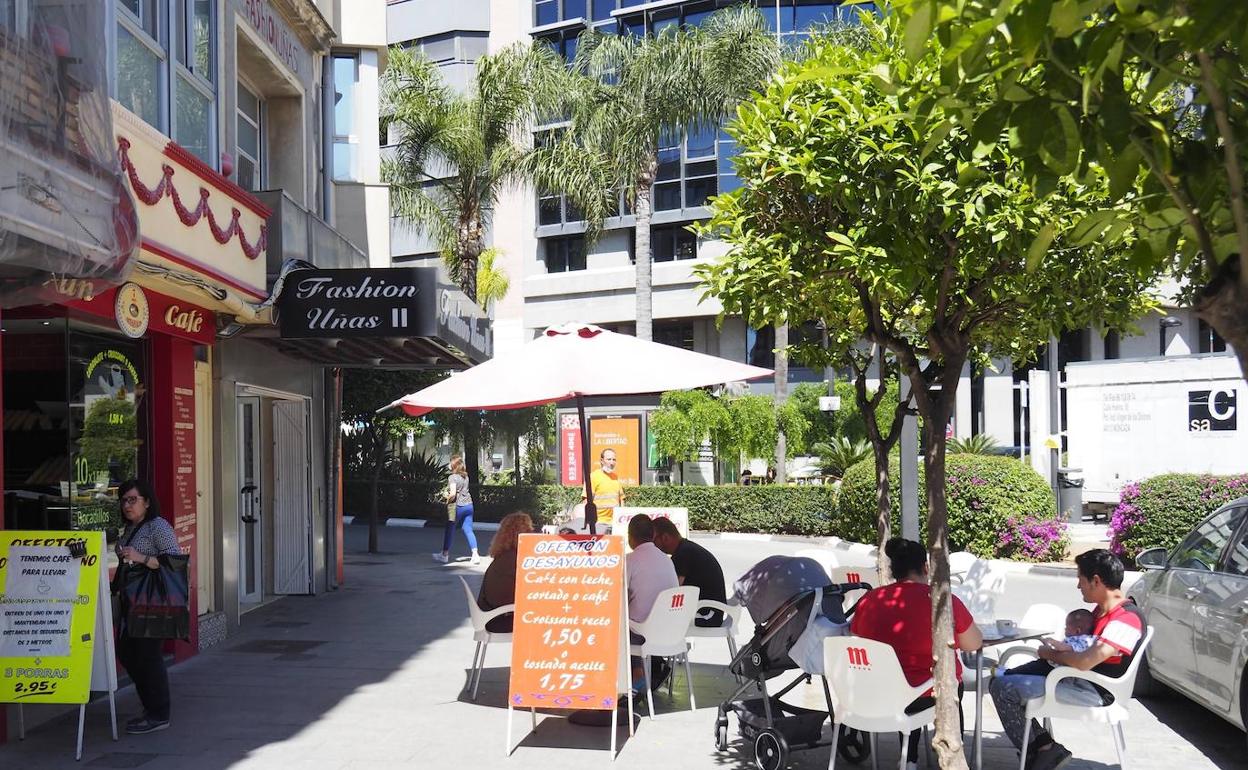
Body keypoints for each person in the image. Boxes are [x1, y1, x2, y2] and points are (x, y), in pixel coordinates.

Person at [990, 549, 1147, 770]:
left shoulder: (1126, 619)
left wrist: (1050, 654)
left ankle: (1041, 752)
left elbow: (1085, 662)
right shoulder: (1100, 613)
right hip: (1076, 680)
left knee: (1003, 688)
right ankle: (1044, 749)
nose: (1078, 586)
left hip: (1093, 691)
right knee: (1002, 680)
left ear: (1096, 581)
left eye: (1080, 579)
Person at [850, 538, 983, 770]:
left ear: (893, 570)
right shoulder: (943, 601)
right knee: (946, 682)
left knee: (904, 681)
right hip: (931, 694)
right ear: (926, 567)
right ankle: (951, 756)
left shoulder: (870, 600)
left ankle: (909, 759)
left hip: (880, 693)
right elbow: (973, 643)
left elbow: (855, 638)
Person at [113, 479, 182, 735]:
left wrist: (140, 557)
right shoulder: (130, 528)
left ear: (147, 502)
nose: (127, 505)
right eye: (123, 500)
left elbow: (175, 561)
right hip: (133, 602)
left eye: (133, 499)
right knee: (128, 653)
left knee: (148, 656)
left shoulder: (157, 526)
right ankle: (150, 707)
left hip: (152, 602)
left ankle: (159, 714)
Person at [625, 514, 678, 692]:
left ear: (630, 537)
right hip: (671, 631)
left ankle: (636, 674)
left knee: (619, 626)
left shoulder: (630, 560)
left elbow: (618, 594)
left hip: (644, 634)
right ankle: (648, 670)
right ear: (653, 534)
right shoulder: (667, 560)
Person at [652, 517, 727, 627]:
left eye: (653, 541)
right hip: (707, 610)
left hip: (708, 614)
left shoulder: (683, 553)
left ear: (665, 537)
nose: (652, 545)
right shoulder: (685, 548)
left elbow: (673, 590)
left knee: (659, 620)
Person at [476, 512, 533, 633]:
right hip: (499, 619)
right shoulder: (514, 559)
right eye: (529, 530)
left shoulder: (505, 556)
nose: (532, 533)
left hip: (490, 615)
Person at [433, 456, 480, 565]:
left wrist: (447, 498)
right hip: (469, 505)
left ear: (453, 465)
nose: (449, 465)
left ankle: (444, 555)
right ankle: (475, 555)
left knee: (450, 529)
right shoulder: (465, 476)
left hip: (457, 507)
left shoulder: (452, 477)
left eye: (450, 463)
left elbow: (453, 494)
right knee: (468, 529)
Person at [585, 448, 624, 536]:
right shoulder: (593, 477)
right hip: (598, 523)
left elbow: (621, 499)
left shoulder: (615, 477)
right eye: (609, 459)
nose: (612, 462)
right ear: (602, 461)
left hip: (614, 522)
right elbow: (586, 501)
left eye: (614, 460)